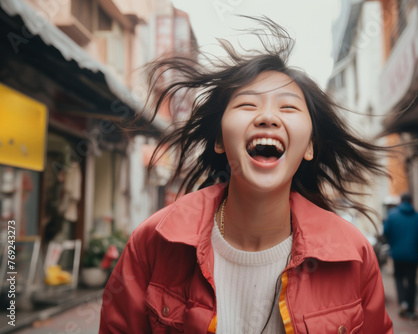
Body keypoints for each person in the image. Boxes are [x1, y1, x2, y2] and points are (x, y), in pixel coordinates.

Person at [99, 17, 393, 333]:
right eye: (247, 104)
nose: (267, 117)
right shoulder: (154, 242)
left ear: (308, 146)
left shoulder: (355, 256)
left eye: (288, 108)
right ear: (219, 141)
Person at [383, 193, 418, 318]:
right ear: (411, 201)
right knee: (412, 281)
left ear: (401, 201)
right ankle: (410, 309)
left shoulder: (392, 215)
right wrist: (417, 242)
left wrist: (393, 241)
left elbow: (385, 232)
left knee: (398, 277)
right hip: (413, 254)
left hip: (397, 254)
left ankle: (403, 302)